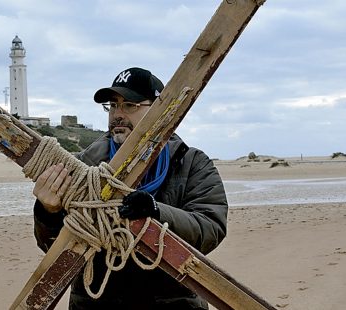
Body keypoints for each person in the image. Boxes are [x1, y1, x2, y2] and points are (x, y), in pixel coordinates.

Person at [31, 67, 228, 309]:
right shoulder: (84, 166)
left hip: (172, 302)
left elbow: (210, 229)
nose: (118, 114)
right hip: (97, 302)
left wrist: (156, 212)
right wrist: (49, 213)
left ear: (159, 109)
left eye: (130, 105)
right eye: (113, 105)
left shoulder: (190, 162)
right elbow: (51, 247)